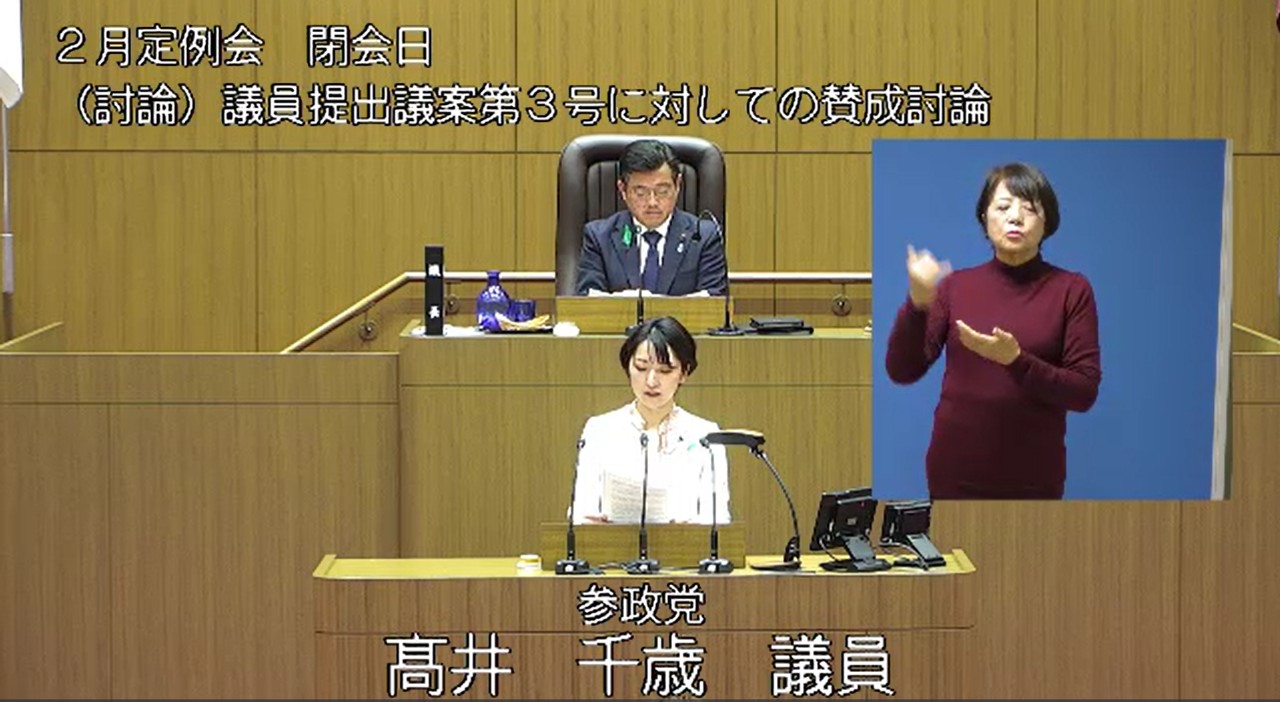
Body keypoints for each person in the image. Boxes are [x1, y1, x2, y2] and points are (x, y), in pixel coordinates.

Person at [884, 162, 1102, 500]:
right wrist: (917, 303)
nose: (1016, 217)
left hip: (1034, 479)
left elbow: (1083, 392)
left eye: (1030, 208)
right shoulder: (955, 286)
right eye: (1003, 207)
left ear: (1047, 221)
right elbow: (902, 370)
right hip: (954, 474)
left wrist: (1016, 360)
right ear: (984, 217)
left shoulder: (1071, 290)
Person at [570, 316, 731, 524]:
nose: (651, 381)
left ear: (684, 373)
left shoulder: (705, 435)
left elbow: (718, 518)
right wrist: (591, 522)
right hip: (615, 543)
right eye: (641, 367)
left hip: (683, 544)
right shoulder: (600, 429)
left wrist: (689, 528)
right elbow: (579, 513)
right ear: (628, 367)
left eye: (665, 371)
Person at [574, 139, 729, 297]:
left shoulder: (705, 237)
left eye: (662, 191)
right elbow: (588, 300)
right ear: (623, 190)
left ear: (677, 185)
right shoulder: (599, 237)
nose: (652, 202)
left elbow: (715, 300)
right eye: (641, 193)